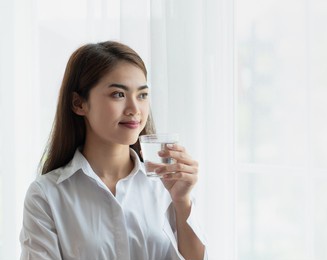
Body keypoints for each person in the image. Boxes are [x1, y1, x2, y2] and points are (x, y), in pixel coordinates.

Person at [19, 41, 206, 260]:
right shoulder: (46, 195)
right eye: (118, 94)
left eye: (142, 95)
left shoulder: (165, 187)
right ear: (79, 103)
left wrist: (182, 201)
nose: (135, 109)